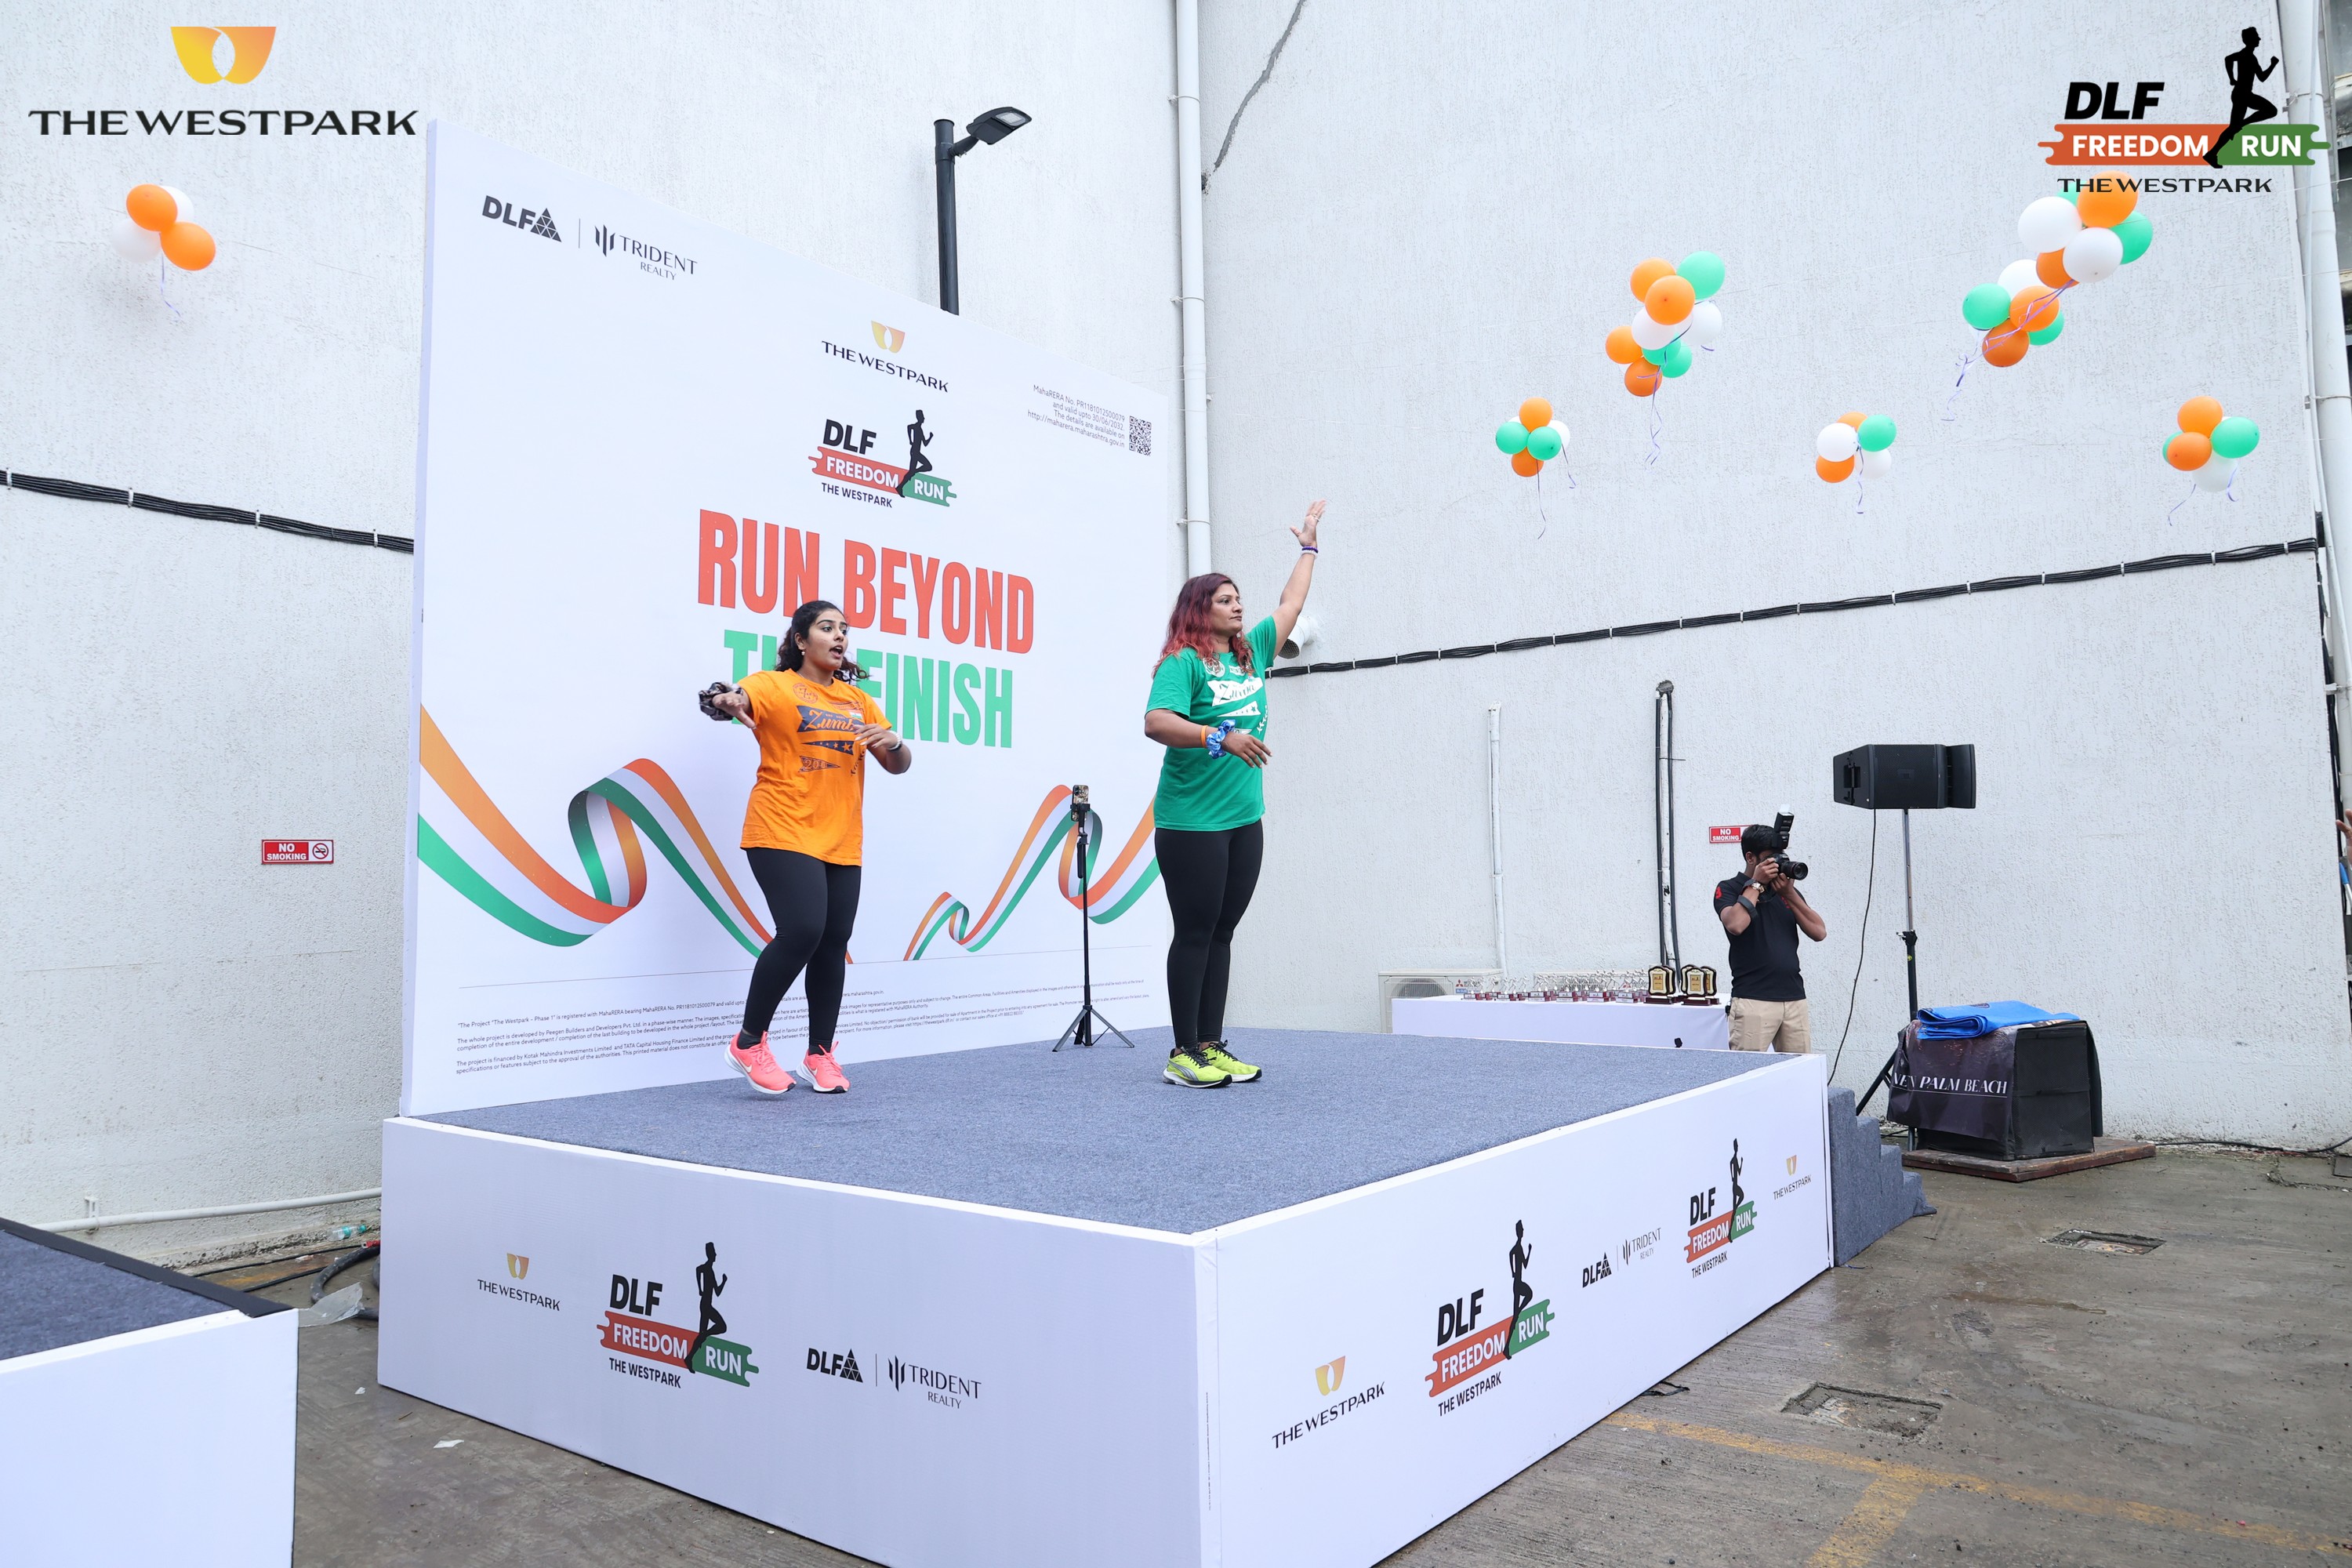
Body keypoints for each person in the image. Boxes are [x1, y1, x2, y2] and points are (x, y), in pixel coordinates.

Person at [1142, 500, 1323, 1087]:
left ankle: (1210, 1044)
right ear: (1200, 610)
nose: (1238, 606)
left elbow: (1291, 604)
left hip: (1244, 819)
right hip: (1191, 822)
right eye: (1225, 600)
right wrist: (1218, 735)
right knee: (1195, 933)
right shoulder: (1183, 662)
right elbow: (1157, 722)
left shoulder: (1252, 653)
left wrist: (1308, 547)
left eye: (1238, 598)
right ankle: (1182, 1053)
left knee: (1222, 933)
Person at [706, 600, 912, 1094]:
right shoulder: (773, 685)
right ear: (800, 641)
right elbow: (730, 698)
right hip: (781, 826)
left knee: (833, 943)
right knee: (802, 930)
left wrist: (892, 740)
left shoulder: (857, 700)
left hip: (840, 837)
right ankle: (748, 1042)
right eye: (827, 628)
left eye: (844, 629)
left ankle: (820, 1053)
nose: (840, 636)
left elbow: (898, 765)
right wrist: (723, 700)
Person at [1713, 824, 1827, 1052]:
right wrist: (1756, 884)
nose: (1776, 865)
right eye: (1769, 859)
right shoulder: (1729, 888)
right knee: (1748, 1071)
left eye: (1780, 857)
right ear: (1750, 858)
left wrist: (1789, 893)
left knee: (1798, 1070)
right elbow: (1736, 924)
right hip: (1753, 999)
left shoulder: (1784, 891)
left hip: (1794, 998)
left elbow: (1819, 932)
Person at [2205, 27, 2278, 168]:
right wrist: (2273, 65)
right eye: (2256, 37)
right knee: (2271, 111)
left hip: (2242, 94)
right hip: (2243, 95)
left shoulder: (2245, 55)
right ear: (2250, 40)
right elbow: (2262, 77)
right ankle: (2213, 152)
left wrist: (2232, 79)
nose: (2259, 39)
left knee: (2233, 128)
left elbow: (2228, 59)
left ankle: (2212, 154)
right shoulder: (2248, 56)